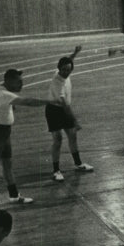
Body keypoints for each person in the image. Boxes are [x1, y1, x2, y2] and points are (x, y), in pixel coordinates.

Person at [0, 68, 64, 210]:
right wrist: (50, 101)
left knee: (8, 165)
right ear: (8, 81)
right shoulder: (2, 94)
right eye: (19, 82)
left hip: (4, 132)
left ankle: (14, 195)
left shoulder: (3, 90)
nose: (22, 85)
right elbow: (28, 101)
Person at [45, 45, 95, 181]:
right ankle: (56, 171)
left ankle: (78, 163)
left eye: (69, 69)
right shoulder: (57, 82)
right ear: (58, 69)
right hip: (54, 110)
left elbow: (69, 60)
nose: (66, 72)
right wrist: (75, 121)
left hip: (63, 109)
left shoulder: (65, 70)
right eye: (64, 70)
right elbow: (65, 106)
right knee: (58, 140)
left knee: (72, 136)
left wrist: (75, 53)